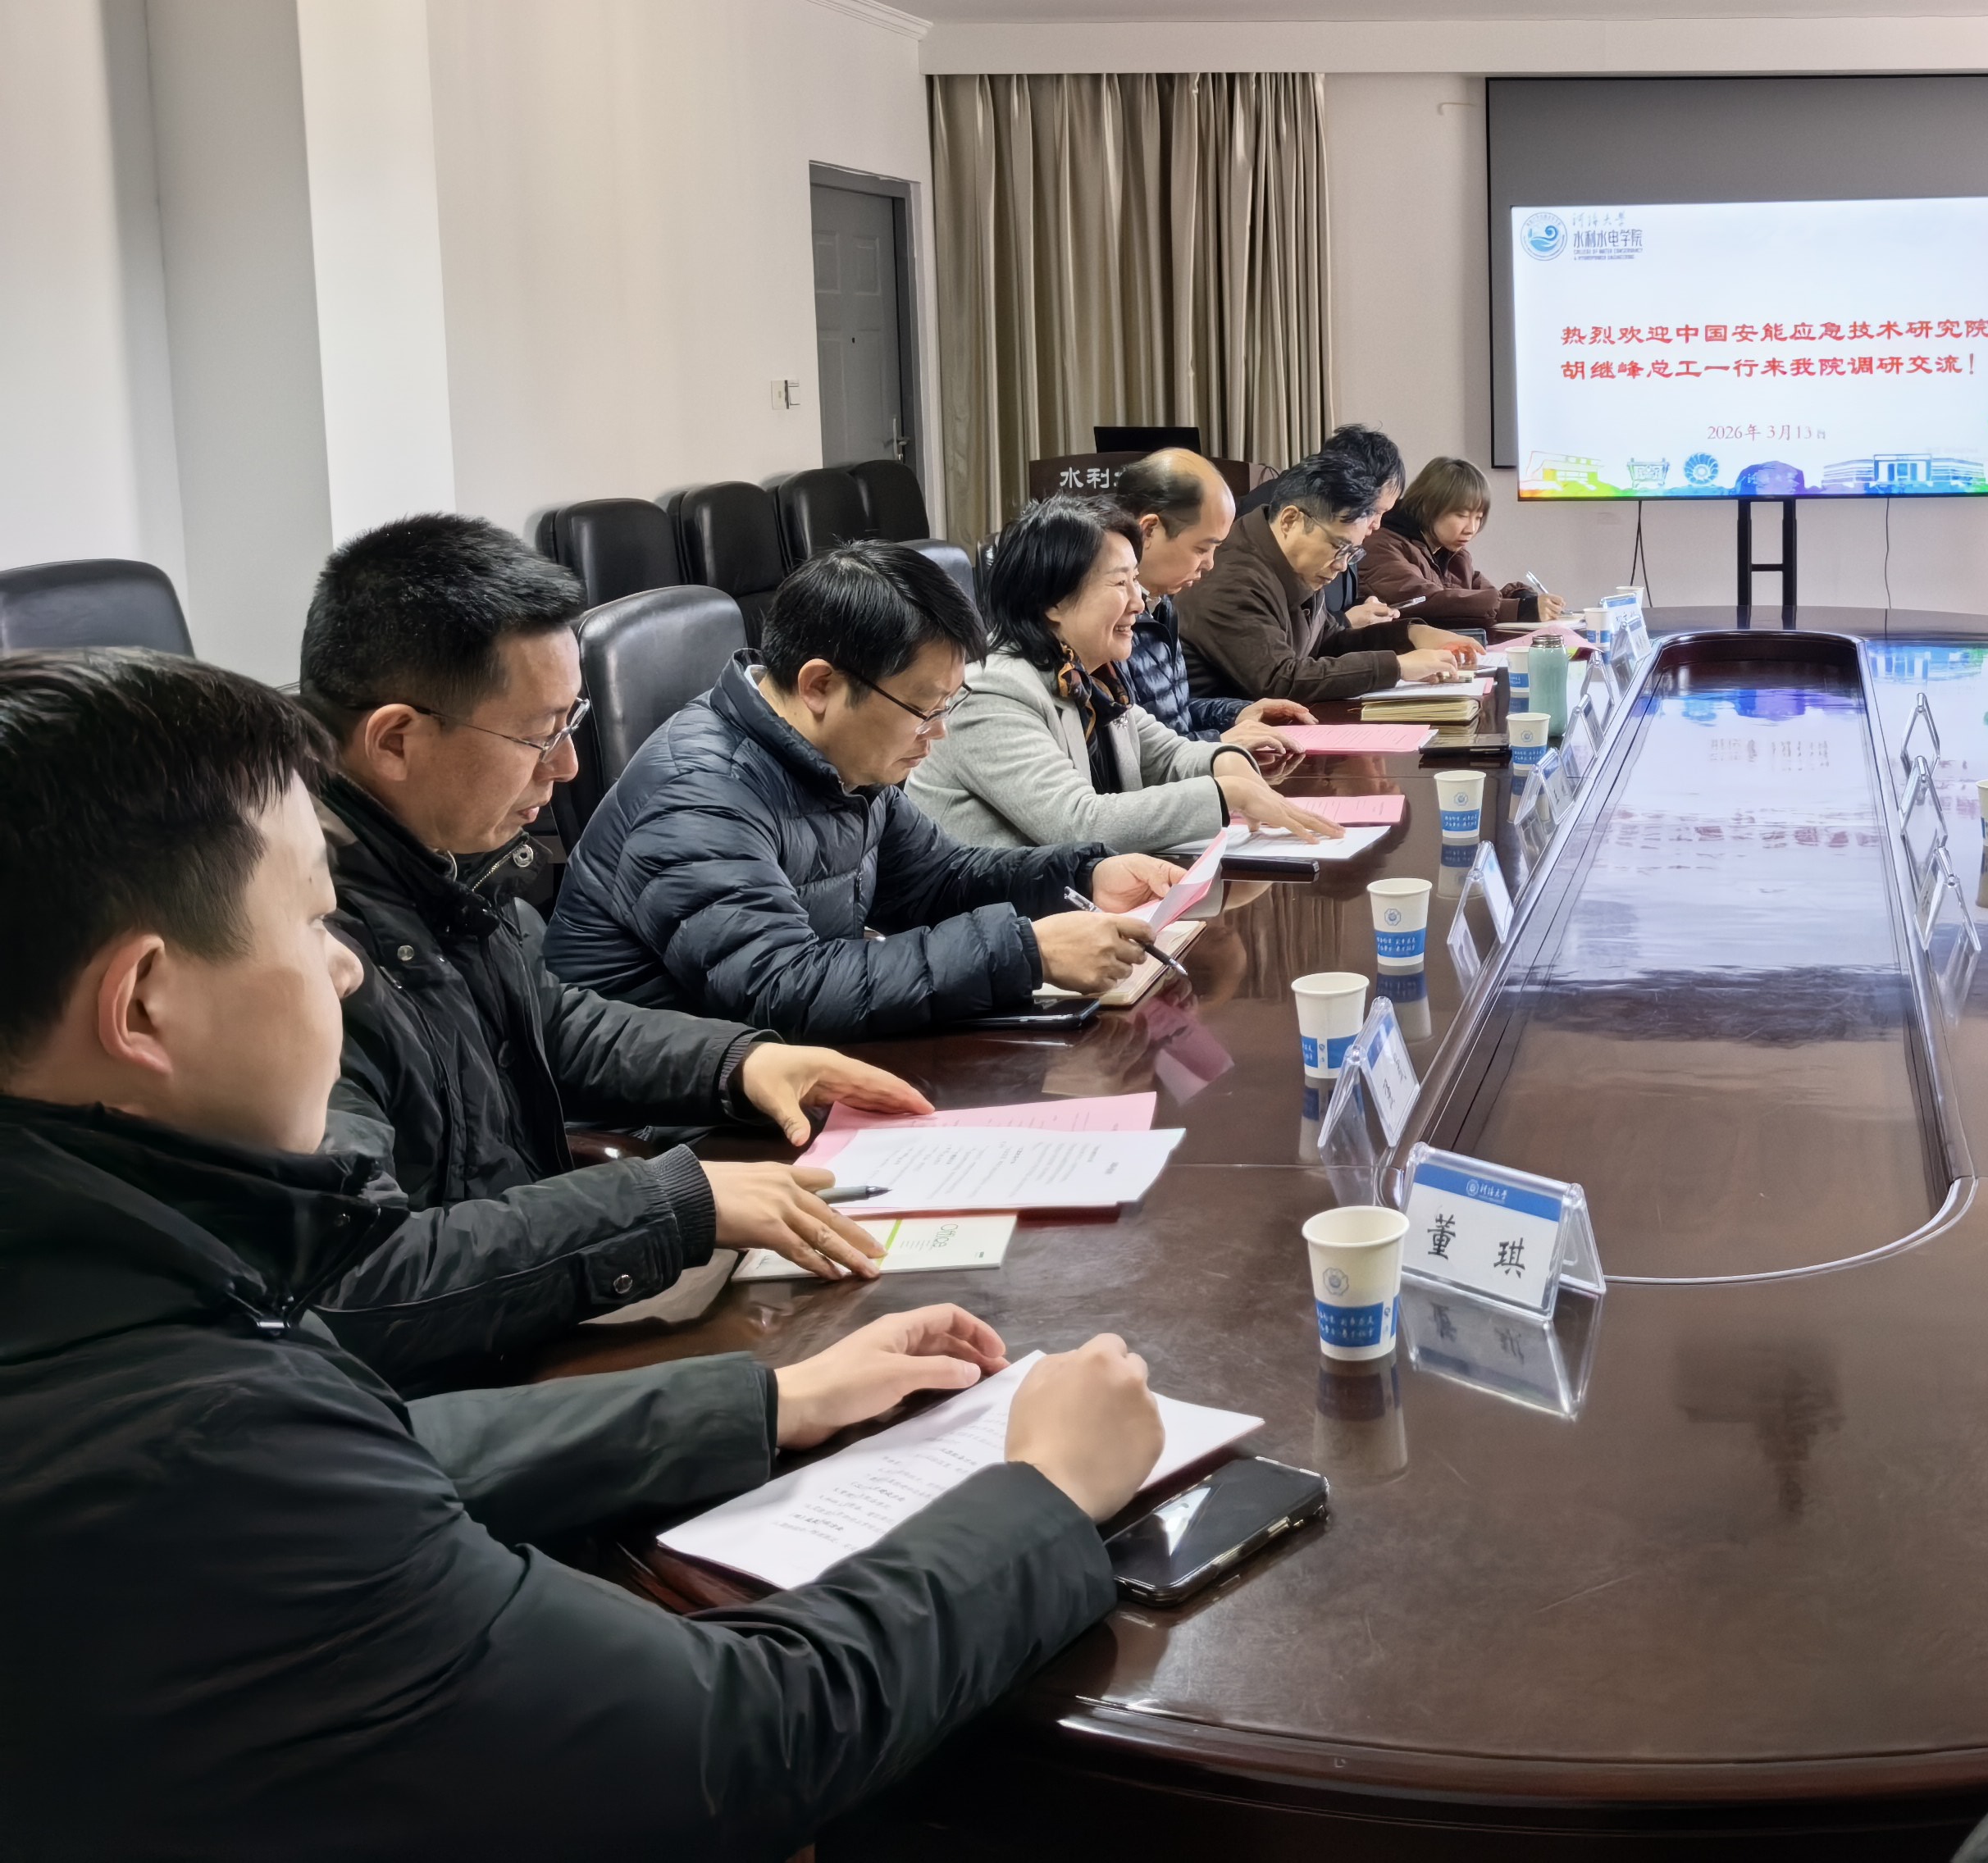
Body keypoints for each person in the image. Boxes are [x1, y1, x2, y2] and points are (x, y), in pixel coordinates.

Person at [0, 646, 1174, 1861]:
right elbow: (735, 1740)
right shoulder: (181, 1440)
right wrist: (1042, 1497)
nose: (341, 967)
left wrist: (765, 1401)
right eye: (307, 923)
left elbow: (385, 1449)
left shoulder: (107, 1297)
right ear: (144, 1004)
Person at [296, 517, 929, 1388]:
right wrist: (666, 1204)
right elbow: (362, 1284)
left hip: (523, 1314)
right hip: (448, 1391)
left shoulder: (443, 859)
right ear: (396, 739)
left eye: (575, 722)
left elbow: (549, 1023)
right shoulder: (301, 948)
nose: (565, 768)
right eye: (539, 734)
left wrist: (740, 1063)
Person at [547, 541, 1182, 1037]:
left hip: (804, 1073)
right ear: (820, 685)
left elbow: (938, 882)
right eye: (924, 709)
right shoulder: (697, 796)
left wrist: (1083, 874)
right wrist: (1027, 952)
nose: (938, 734)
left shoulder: (842, 759)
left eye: (947, 706)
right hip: (686, 1128)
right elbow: (782, 990)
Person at [913, 497, 1347, 855]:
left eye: (1136, 580)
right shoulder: (992, 691)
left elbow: (1166, 755)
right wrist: (1226, 794)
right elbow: (1078, 823)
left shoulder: (1089, 675)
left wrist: (1224, 760)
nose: (1139, 602)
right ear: (1053, 601)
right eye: (1120, 583)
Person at [1179, 443, 1482, 706]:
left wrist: (1411, 634)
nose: (1342, 565)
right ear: (1290, 520)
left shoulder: (1292, 563)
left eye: (1352, 553)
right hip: (1220, 737)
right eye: (1339, 548)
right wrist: (1398, 666)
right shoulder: (1233, 577)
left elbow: (1329, 642)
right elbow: (1279, 680)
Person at [1105, 446, 1315, 743]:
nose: (1210, 564)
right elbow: (1134, 749)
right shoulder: (1110, 618)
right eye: (1202, 548)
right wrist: (1219, 742)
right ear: (1149, 530)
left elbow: (1174, 717)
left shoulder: (1161, 604)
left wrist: (1238, 713)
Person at [1359, 454, 1564, 633]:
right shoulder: (1380, 545)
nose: (1471, 528)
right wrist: (1521, 609)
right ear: (1427, 506)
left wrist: (1521, 597)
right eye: (1462, 515)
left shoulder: (1452, 552)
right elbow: (1429, 601)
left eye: (1478, 518)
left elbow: (1480, 594)